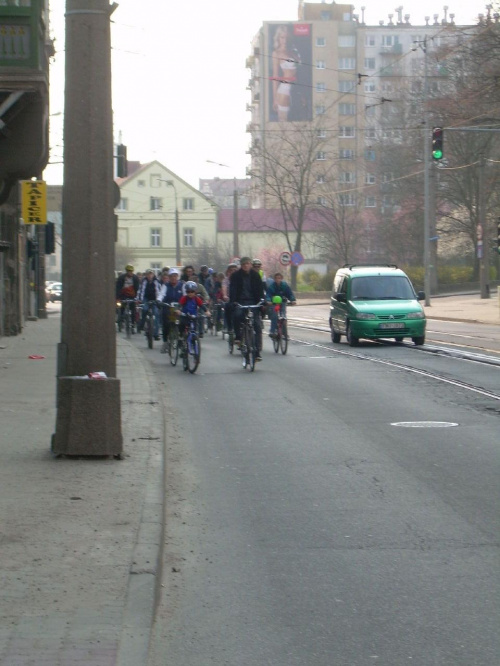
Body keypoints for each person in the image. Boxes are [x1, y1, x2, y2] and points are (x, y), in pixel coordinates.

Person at [229, 256, 266, 360]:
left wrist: (262, 301)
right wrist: (233, 301)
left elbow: (260, 289)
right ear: (241, 265)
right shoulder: (235, 276)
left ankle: (257, 351)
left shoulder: (255, 275)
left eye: (247, 264)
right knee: (237, 315)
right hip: (240, 301)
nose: (246, 266)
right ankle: (238, 336)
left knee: (257, 325)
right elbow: (232, 289)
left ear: (250, 264)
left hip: (253, 302)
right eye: (244, 264)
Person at [271, 25, 300, 122]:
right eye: (282, 37)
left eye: (286, 37)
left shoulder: (293, 52)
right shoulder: (276, 53)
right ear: (278, 38)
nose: (285, 40)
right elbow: (275, 77)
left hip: (296, 90)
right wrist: (275, 99)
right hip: (284, 91)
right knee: (284, 124)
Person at [177, 281, 210, 350]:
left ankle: (193, 341)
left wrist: (206, 311)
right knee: (181, 325)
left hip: (194, 316)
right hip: (185, 316)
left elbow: (202, 305)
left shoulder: (197, 299)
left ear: (195, 292)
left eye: (192, 292)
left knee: (194, 329)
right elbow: (180, 305)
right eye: (188, 292)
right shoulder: (184, 298)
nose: (190, 293)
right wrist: (179, 310)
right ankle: (180, 337)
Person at [159, 268, 184, 353]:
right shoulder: (166, 285)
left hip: (179, 307)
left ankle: (181, 340)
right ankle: (165, 342)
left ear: (177, 277)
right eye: (171, 276)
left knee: (183, 322)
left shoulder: (182, 285)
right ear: (169, 277)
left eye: (175, 276)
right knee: (166, 324)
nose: (173, 278)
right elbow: (161, 294)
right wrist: (159, 300)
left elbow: (185, 295)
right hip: (168, 307)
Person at [266, 272, 297, 338]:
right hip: (274, 303)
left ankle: (285, 333)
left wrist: (292, 300)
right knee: (274, 316)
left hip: (283, 302)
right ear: (274, 279)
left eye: (279, 278)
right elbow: (268, 294)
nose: (278, 280)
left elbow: (289, 293)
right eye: (276, 278)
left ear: (281, 279)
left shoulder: (285, 286)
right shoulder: (272, 286)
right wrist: (268, 301)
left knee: (283, 316)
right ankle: (272, 331)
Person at [137, 269, 161, 339]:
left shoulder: (156, 281)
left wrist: (158, 300)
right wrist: (139, 300)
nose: (150, 276)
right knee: (144, 309)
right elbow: (140, 291)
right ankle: (142, 324)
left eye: (151, 274)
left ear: (153, 275)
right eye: (148, 274)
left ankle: (156, 334)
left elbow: (159, 291)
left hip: (154, 299)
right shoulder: (144, 281)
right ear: (146, 275)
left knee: (156, 313)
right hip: (146, 298)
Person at [116, 264, 139, 333]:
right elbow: (118, 288)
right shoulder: (121, 278)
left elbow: (137, 289)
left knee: (133, 310)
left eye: (131, 271)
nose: (130, 272)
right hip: (123, 295)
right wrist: (117, 298)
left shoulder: (135, 278)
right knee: (121, 308)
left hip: (132, 296)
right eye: (129, 271)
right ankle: (121, 320)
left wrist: (137, 298)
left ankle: (133, 325)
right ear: (126, 271)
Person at [222, 262, 238, 333]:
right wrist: (225, 295)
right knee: (227, 307)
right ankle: (230, 327)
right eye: (231, 270)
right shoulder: (226, 280)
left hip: (240, 299)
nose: (233, 272)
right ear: (228, 271)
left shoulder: (240, 278)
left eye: (235, 270)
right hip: (230, 299)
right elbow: (224, 288)